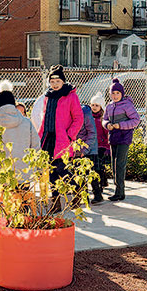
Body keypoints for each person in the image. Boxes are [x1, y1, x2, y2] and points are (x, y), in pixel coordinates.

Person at [38, 65, 84, 207]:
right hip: (48, 138)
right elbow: (45, 117)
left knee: (62, 170)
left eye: (57, 81)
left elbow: (78, 118)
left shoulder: (70, 96)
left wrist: (70, 135)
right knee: (51, 172)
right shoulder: (48, 96)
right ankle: (56, 202)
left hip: (62, 139)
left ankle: (77, 191)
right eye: (52, 81)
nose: (55, 84)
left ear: (63, 81)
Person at [103, 78, 141, 201]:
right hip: (113, 138)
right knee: (114, 165)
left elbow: (135, 120)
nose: (115, 95)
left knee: (120, 164)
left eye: (117, 93)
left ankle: (121, 192)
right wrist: (107, 124)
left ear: (122, 94)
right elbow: (104, 119)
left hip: (124, 138)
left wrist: (120, 126)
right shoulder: (109, 106)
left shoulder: (127, 105)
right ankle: (117, 191)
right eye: (113, 93)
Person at [0, 81, 37, 185]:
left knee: (6, 199)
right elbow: (35, 145)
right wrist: (36, 168)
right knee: (25, 199)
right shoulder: (26, 122)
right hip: (25, 172)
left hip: (4, 173)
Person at [88, 94, 111, 201]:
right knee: (95, 167)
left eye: (97, 105)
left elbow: (106, 134)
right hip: (92, 146)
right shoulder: (89, 117)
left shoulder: (102, 119)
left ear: (101, 106)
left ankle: (101, 183)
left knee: (99, 167)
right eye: (92, 105)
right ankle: (101, 183)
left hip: (101, 146)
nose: (94, 107)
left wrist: (106, 146)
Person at [78, 99, 101, 203]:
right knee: (79, 174)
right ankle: (84, 196)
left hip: (89, 148)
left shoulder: (85, 112)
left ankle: (97, 194)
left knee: (91, 173)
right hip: (76, 148)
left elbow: (92, 133)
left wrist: (85, 149)